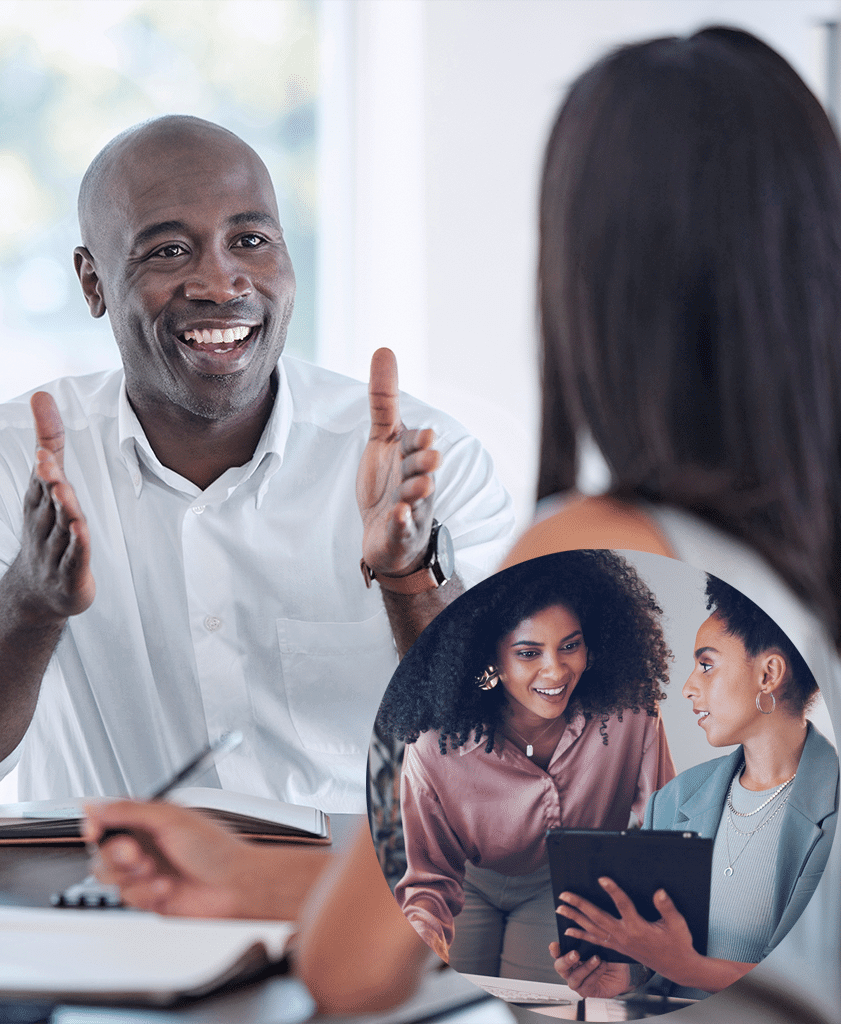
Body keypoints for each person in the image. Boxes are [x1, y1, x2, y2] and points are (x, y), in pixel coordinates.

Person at [89, 25, 841, 1021]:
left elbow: (352, 972)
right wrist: (268, 880)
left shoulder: (599, 555)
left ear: (588, 278)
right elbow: (640, 919)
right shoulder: (789, 558)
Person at [0, 115, 514, 819]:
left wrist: (410, 577)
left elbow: (516, 764)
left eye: (251, 241)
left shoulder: (425, 464)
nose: (219, 282)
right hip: (104, 886)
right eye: (169, 251)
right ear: (93, 282)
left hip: (356, 886)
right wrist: (30, 599)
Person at [378, 550, 674, 979]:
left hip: (572, 886)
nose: (555, 671)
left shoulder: (633, 715)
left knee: (541, 994)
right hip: (469, 882)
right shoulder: (433, 744)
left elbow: (663, 836)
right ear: (492, 659)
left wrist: (642, 939)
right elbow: (430, 881)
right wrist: (419, 940)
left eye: (569, 646)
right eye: (529, 653)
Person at [553, 575, 837, 998]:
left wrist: (692, 969)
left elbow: (825, 984)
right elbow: (656, 954)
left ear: (769, 674)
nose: (687, 688)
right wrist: (626, 977)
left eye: (706, 665)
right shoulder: (672, 800)